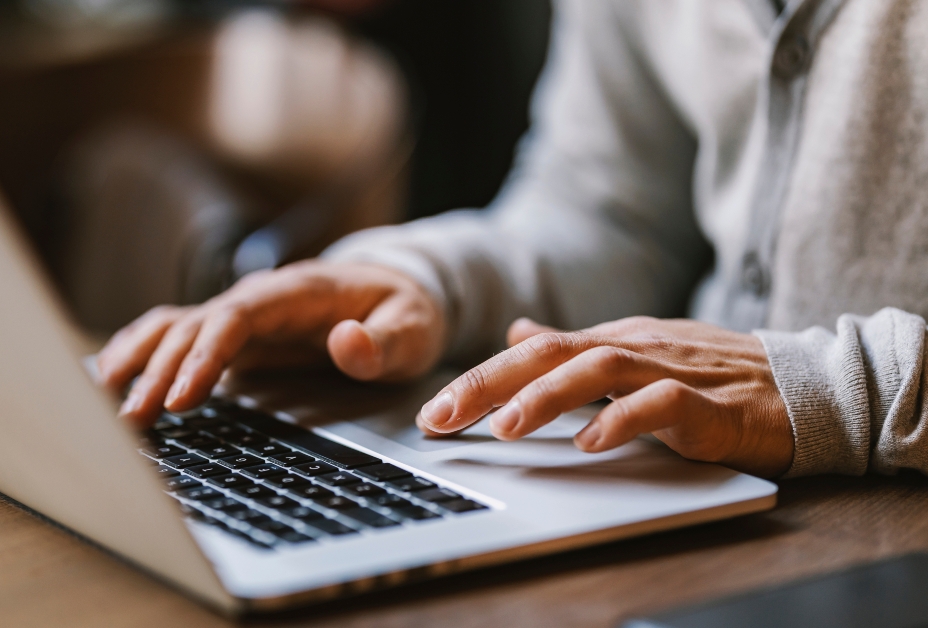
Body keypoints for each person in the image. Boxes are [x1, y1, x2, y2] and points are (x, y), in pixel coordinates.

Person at [98, 0, 928, 479]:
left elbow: (818, 389)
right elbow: (610, 213)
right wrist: (428, 282)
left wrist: (840, 391)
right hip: (704, 498)